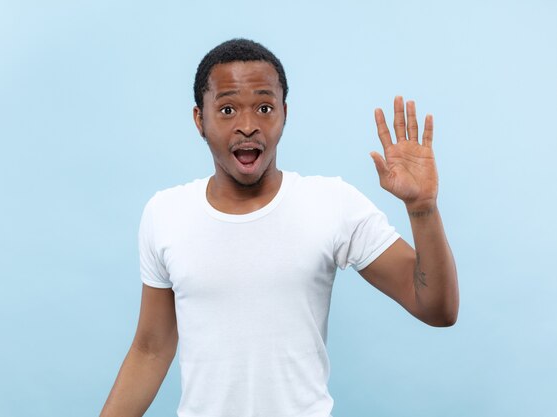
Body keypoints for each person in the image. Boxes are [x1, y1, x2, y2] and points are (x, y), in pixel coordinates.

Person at [100, 38, 459, 417]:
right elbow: (151, 348)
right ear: (199, 120)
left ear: (284, 113)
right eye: (226, 109)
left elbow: (437, 308)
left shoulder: (332, 203)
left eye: (265, 107)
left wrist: (422, 209)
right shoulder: (166, 213)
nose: (248, 126)